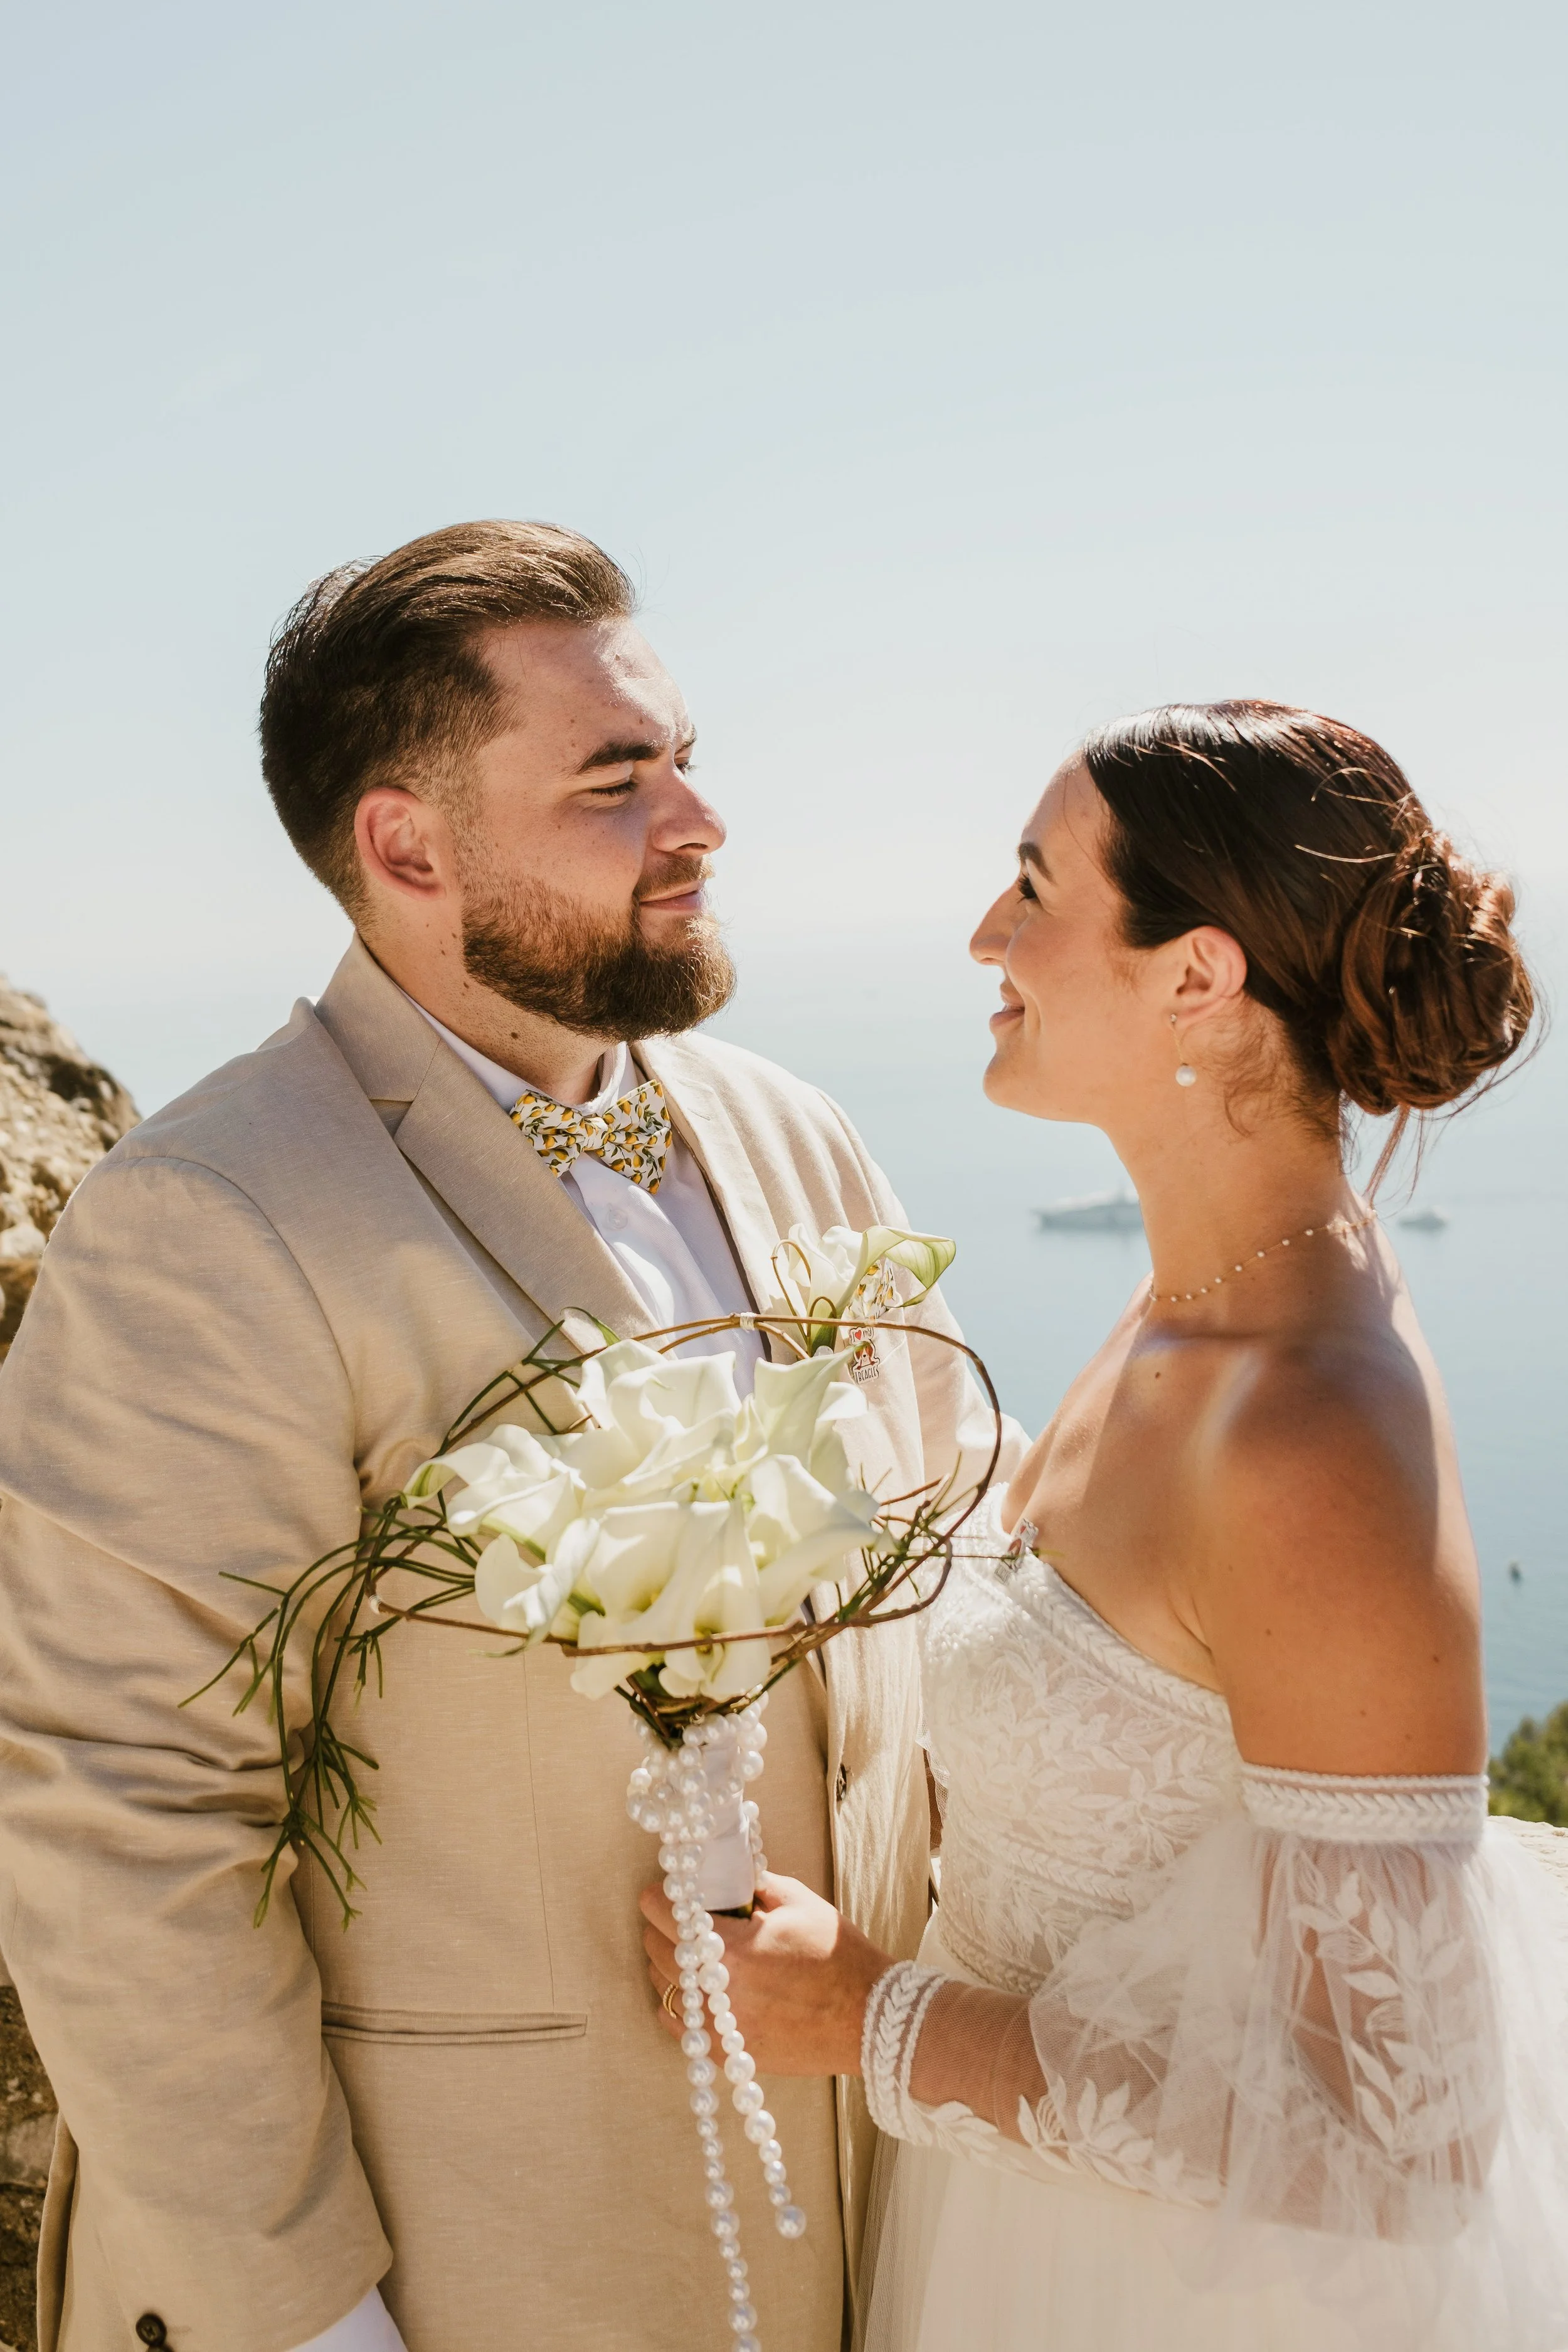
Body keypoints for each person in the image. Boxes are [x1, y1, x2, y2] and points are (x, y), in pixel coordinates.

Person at [0, 521, 1014, 2352]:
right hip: (482, 2247)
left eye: (686, 759)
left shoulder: (788, 1129)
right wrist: (310, 2325)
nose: (699, 820)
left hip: (882, 2202)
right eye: (618, 782)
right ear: (406, 845)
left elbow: (958, 1566)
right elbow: (118, 1820)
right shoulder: (206, 1216)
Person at [640, 701, 1568, 2349]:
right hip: (1024, 2242)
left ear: (1196, 975)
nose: (983, 932)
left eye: (1031, 885)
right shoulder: (1180, 1310)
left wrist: (875, 2020)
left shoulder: (1305, 1426)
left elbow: (1402, 2142)